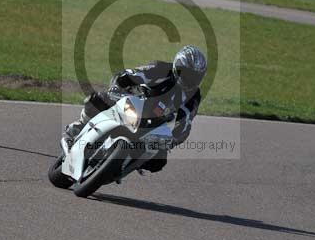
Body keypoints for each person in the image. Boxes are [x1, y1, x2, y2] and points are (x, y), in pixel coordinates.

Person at [62, 45, 207, 173]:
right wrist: (117, 88)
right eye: (187, 74)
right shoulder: (160, 69)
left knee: (158, 162)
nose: (190, 79)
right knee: (96, 100)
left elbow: (186, 122)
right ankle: (77, 129)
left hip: (153, 125)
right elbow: (128, 75)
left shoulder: (194, 96)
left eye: (195, 77)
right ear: (177, 67)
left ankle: (127, 164)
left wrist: (173, 139)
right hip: (132, 102)